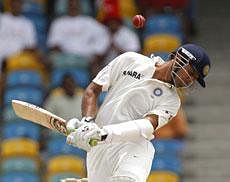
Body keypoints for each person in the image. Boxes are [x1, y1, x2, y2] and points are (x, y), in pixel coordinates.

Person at [65, 43, 211, 182]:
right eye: (191, 72)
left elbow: (147, 125)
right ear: (179, 58)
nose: (190, 80)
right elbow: (92, 90)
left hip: (129, 145)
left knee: (143, 152)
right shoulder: (130, 60)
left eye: (194, 78)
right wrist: (87, 122)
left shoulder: (172, 101)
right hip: (98, 147)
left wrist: (105, 133)